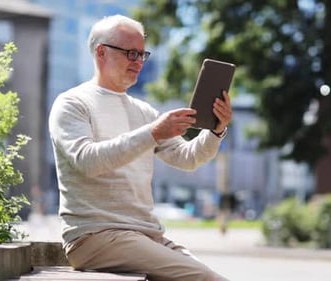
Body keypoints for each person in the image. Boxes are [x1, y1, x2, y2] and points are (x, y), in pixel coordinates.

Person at [48, 14, 232, 281]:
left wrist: (215, 130)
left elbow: (187, 158)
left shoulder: (143, 111)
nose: (138, 62)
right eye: (130, 53)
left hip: (146, 236)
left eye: (141, 54)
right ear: (101, 52)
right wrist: (154, 132)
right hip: (96, 236)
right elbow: (87, 161)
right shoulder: (72, 104)